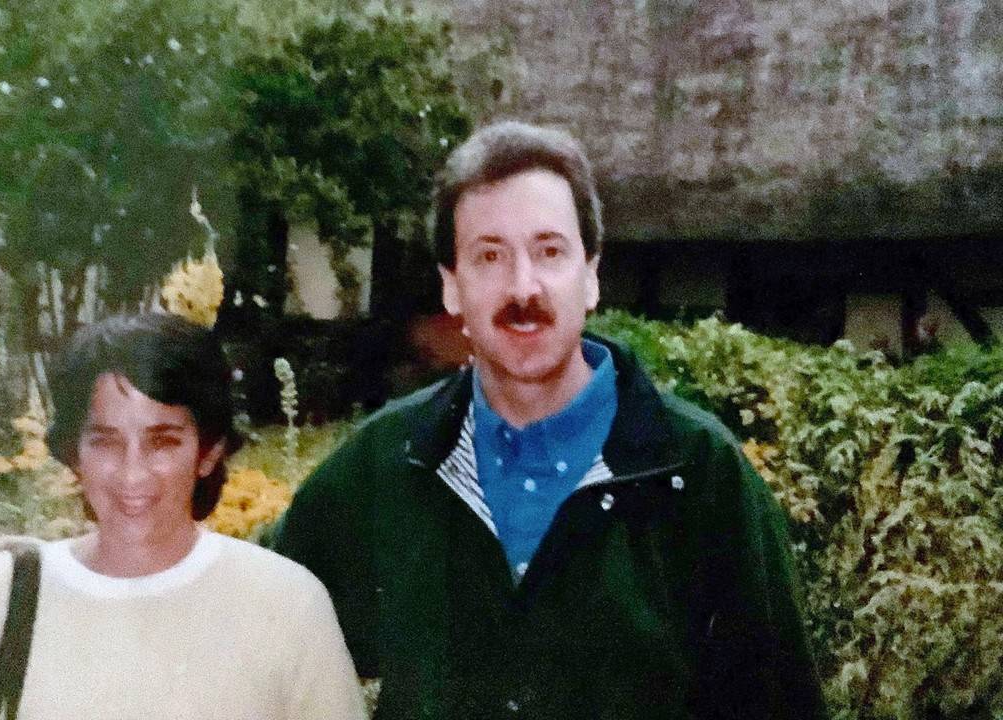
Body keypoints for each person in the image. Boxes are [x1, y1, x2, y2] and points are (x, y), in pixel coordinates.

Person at [270, 121, 828, 719]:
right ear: (452, 288)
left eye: (549, 251)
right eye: (489, 256)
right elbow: (256, 617)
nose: (523, 287)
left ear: (590, 275)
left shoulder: (696, 472)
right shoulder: (389, 463)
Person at [0, 313, 366, 720]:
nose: (133, 473)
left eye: (163, 441)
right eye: (106, 441)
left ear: (208, 452)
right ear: (74, 454)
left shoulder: (286, 605)